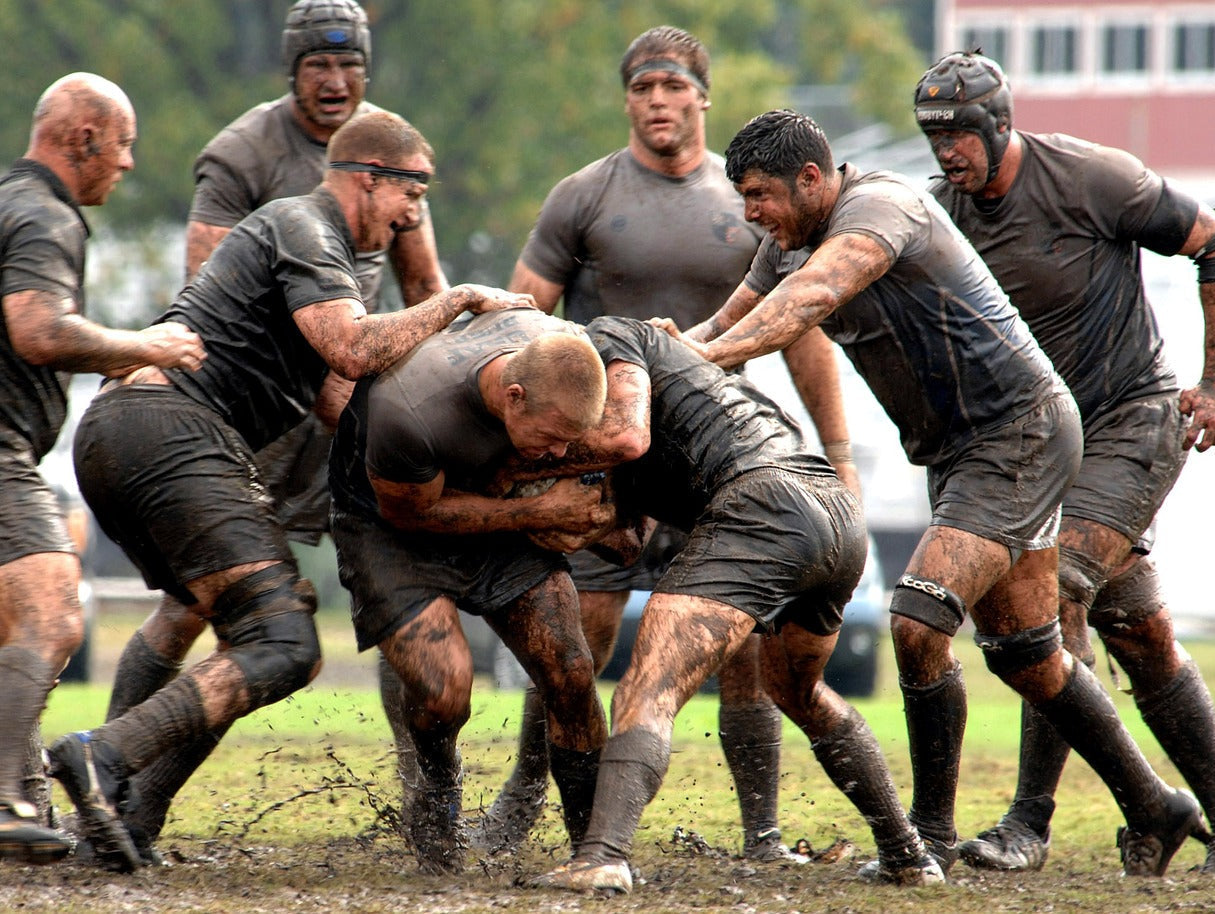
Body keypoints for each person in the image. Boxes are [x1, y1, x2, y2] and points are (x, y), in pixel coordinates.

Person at [657, 109, 1208, 878]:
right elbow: (729, 318)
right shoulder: (783, 240)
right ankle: (1155, 803)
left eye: (758, 195)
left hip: (1016, 433)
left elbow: (808, 301)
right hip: (957, 452)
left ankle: (927, 839)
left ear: (811, 180)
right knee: (1029, 657)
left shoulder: (877, 210)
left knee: (917, 623)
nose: (750, 213)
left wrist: (708, 358)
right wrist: (662, 352)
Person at [48, 110, 532, 873]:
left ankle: (124, 821)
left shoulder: (327, 260)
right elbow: (353, 344)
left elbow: (344, 402)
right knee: (283, 642)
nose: (414, 216)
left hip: (136, 433)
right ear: (369, 178)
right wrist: (459, 298)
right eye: (412, 194)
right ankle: (101, 756)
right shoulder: (302, 224)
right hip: (165, 429)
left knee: (246, 634)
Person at [490, 24, 855, 863]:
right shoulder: (581, 197)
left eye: (673, 87)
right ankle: (521, 802)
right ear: (627, 100)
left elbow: (802, 335)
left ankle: (759, 832)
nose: (658, 102)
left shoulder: (751, 202)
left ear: (702, 97)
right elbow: (518, 318)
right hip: (606, 460)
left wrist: (836, 455)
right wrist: (522, 451)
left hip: (724, 462)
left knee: (739, 652)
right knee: (571, 641)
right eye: (642, 89)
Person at [100, 0, 450, 857]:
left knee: (396, 596)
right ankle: (114, 795)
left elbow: (420, 286)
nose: (333, 83)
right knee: (210, 617)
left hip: (342, 402)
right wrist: (318, 370)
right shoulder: (247, 155)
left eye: (349, 68)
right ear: (290, 73)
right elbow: (206, 287)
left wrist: (419, 417)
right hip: (239, 412)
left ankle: (428, 819)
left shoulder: (392, 157)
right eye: (315, 68)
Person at [913, 51, 1215, 874]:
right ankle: (1170, 814)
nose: (947, 153)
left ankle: (1028, 823)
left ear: (999, 124)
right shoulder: (939, 217)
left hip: (1130, 419)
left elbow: (1210, 244)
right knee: (1139, 634)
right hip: (1039, 447)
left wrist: (1213, 380)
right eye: (933, 137)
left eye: (960, 136)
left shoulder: (1091, 177)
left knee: (1053, 597)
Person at [524, 315, 941, 892]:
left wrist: (534, 467)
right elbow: (624, 545)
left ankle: (601, 856)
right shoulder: (680, 404)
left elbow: (625, 435)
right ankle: (908, 855)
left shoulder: (611, 336)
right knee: (800, 692)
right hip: (834, 517)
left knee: (648, 691)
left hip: (763, 504)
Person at [0, 73, 205, 865]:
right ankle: (8, 798)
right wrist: (142, 345)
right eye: (123, 145)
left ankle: (22, 803)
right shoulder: (46, 214)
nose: (126, 164)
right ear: (83, 137)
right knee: (52, 613)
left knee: (15, 625)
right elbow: (40, 329)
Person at [328, 307, 614, 873]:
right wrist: (541, 509)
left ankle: (593, 848)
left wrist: (592, 513)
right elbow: (415, 515)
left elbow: (598, 450)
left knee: (572, 670)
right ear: (513, 396)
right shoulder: (409, 411)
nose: (559, 454)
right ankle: (436, 806)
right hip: (390, 524)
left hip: (497, 501)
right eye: (554, 439)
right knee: (445, 690)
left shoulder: (566, 354)